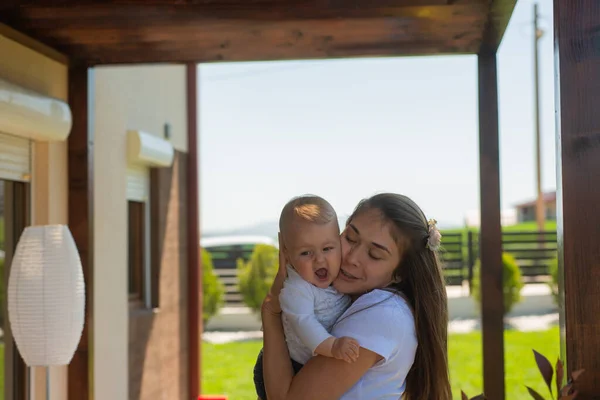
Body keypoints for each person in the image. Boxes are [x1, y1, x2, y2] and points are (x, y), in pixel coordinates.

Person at [261, 193, 452, 400]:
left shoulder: (382, 314)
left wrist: (271, 312)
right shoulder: (343, 296)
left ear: (399, 273)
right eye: (350, 238)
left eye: (374, 255)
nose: (351, 258)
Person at [253, 195, 360, 400]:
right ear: (287, 254)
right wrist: (333, 346)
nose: (319, 259)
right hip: (291, 364)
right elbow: (304, 323)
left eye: (327, 249)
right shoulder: (296, 288)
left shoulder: (338, 279)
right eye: (305, 253)